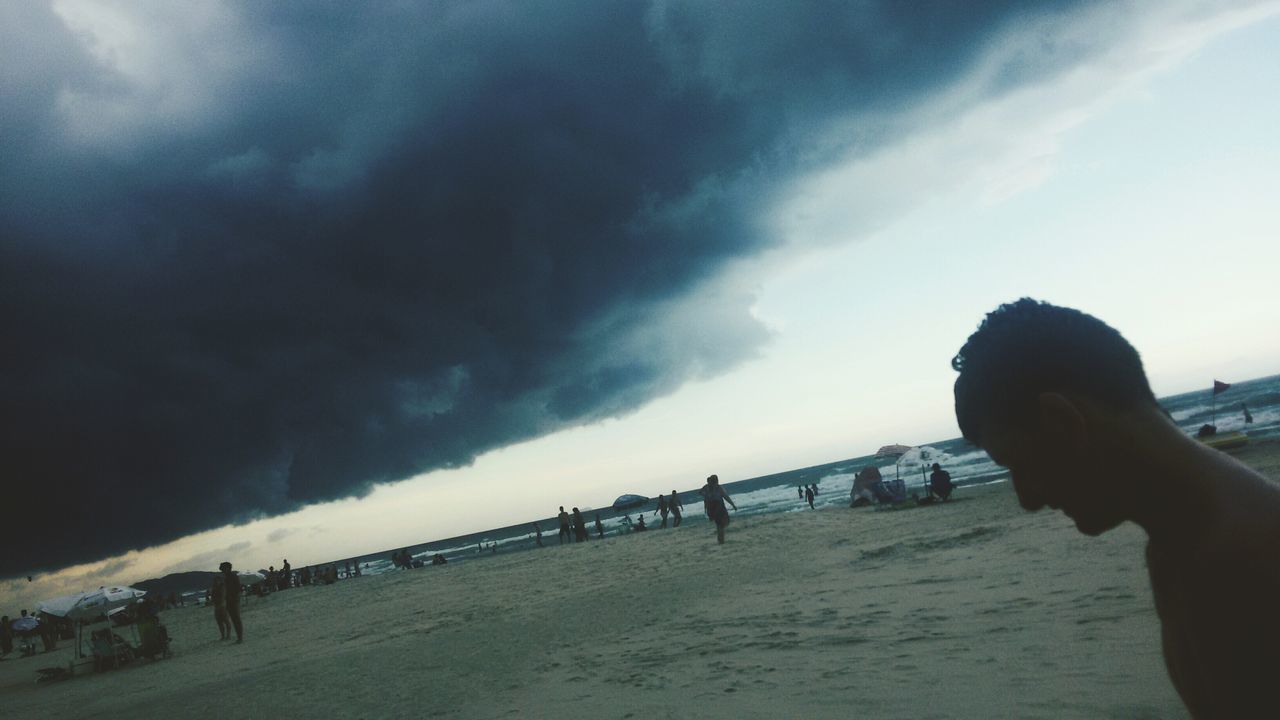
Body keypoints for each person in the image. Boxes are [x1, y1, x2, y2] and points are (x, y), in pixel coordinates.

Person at [952, 298, 1280, 719]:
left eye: (1020, 466)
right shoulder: (1180, 541)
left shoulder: (1243, 565)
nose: (1028, 500)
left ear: (1062, 422)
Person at [700, 474, 738, 544]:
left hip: (711, 508)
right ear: (716, 480)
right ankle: (721, 540)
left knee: (719, 524)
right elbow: (726, 497)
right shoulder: (718, 488)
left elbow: (701, 494)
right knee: (723, 523)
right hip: (719, 507)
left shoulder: (706, 488)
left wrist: (706, 507)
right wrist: (733, 505)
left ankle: (720, 540)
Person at [218, 561, 244, 644]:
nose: (222, 570)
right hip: (230, 600)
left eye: (223, 568)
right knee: (234, 618)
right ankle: (239, 637)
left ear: (227, 568)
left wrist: (234, 597)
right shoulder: (227, 577)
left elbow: (238, 588)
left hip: (233, 599)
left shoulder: (232, 576)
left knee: (236, 618)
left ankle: (240, 638)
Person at [210, 575, 230, 640]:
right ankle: (223, 636)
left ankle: (228, 636)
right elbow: (212, 598)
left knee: (226, 621)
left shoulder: (222, 587)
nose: (215, 582)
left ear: (219, 581)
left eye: (216, 581)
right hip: (217, 607)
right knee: (220, 622)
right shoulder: (214, 588)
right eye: (214, 581)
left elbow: (222, 597)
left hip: (222, 607)